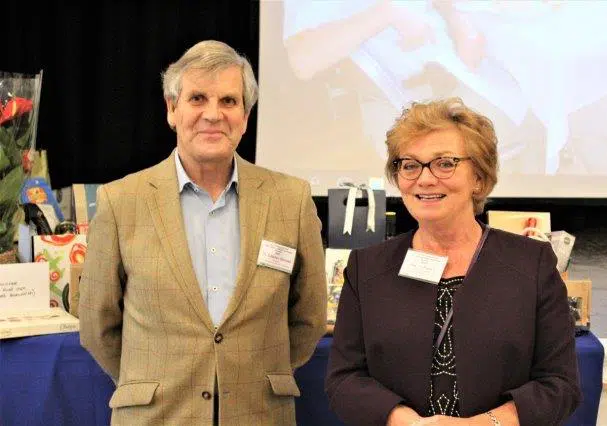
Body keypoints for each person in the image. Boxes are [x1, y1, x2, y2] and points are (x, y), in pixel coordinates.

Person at [79, 40, 327, 425]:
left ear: (245, 116)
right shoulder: (121, 201)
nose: (213, 114)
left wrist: (253, 374)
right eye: (197, 99)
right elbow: (98, 325)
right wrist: (148, 381)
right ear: (171, 109)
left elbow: (309, 316)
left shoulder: (290, 200)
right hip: (156, 416)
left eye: (228, 101)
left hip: (258, 413)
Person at [325, 97, 581, 426]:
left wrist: (480, 425)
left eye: (445, 163)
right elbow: (345, 380)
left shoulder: (531, 264)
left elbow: (559, 385)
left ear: (479, 177)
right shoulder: (368, 269)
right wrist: (406, 422)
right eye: (410, 165)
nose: (425, 179)